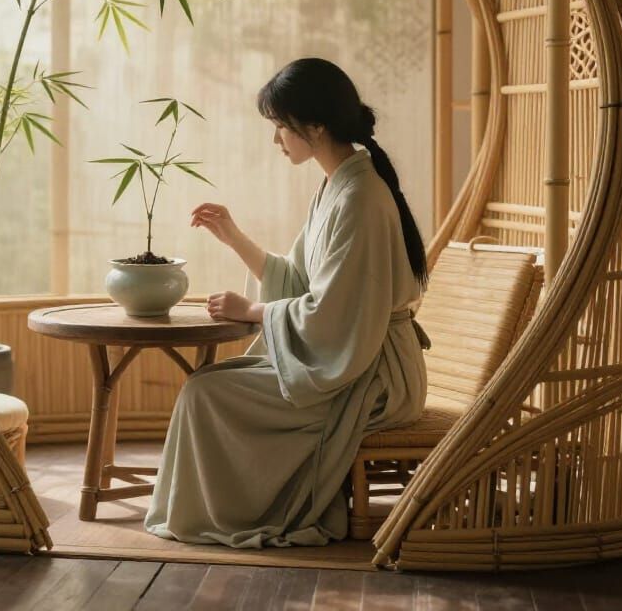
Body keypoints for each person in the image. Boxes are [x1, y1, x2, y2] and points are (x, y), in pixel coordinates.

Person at [143, 57, 429, 547]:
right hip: (351, 356)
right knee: (208, 384)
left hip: (374, 376)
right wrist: (234, 237)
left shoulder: (359, 197)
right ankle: (212, 511)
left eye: (281, 127)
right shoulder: (339, 187)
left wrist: (251, 311)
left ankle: (226, 513)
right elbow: (300, 280)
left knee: (207, 393)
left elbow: (332, 313)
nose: (277, 140)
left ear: (315, 126)